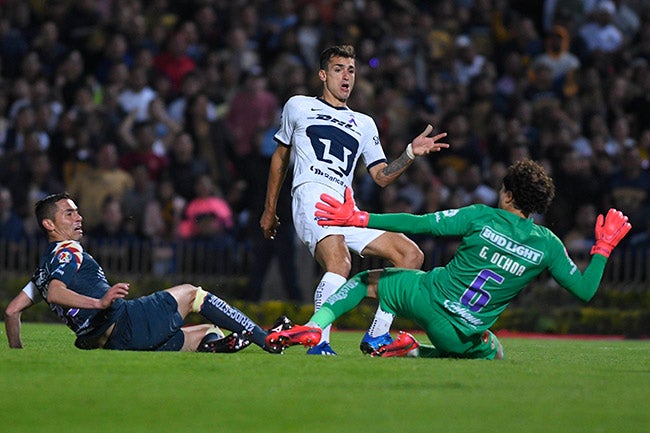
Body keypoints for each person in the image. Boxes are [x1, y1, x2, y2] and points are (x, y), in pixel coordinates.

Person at [266, 160, 632, 359]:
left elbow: (421, 223)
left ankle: (319, 325)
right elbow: (585, 290)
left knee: (364, 282)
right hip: (459, 334)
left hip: (426, 296)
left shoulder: (480, 216)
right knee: (495, 352)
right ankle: (414, 350)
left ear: (506, 194)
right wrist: (602, 250)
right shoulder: (549, 245)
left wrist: (364, 218)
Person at [259, 45, 449, 355]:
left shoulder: (364, 123)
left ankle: (376, 336)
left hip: (346, 208)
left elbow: (382, 176)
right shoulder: (298, 105)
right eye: (338, 69)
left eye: (351, 70)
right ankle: (319, 342)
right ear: (323, 75)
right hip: (311, 194)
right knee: (339, 262)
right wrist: (269, 210)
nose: (346, 76)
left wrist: (411, 152)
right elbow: (280, 159)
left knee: (410, 255)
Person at [4, 192, 289, 353]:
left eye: (77, 211)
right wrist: (100, 303)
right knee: (193, 294)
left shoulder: (43, 269)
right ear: (49, 225)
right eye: (69, 214)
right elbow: (57, 292)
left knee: (208, 332)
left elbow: (12, 311)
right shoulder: (68, 250)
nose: (78, 217)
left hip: (115, 342)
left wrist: (17, 353)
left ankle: (216, 347)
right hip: (126, 321)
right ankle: (267, 340)